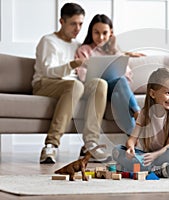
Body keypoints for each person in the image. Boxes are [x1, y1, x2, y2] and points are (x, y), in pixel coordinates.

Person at [32, 3, 111, 164]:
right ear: (62, 22)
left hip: (74, 85)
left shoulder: (77, 45)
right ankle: (51, 144)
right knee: (75, 86)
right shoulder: (49, 41)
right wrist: (72, 65)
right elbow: (48, 71)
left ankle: (90, 143)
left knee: (100, 84)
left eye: (81, 24)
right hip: (45, 83)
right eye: (73, 24)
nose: (78, 28)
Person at [112, 68, 169, 178]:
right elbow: (132, 139)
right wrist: (130, 148)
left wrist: (154, 156)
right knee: (117, 150)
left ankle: (142, 167)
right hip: (152, 156)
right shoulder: (144, 113)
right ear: (153, 94)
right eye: (168, 93)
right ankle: (156, 169)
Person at [75, 14, 144, 136]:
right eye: (96, 32)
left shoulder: (115, 51)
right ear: (91, 32)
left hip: (115, 90)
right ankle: (137, 112)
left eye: (105, 33)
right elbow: (83, 76)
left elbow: (127, 76)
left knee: (118, 91)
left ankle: (133, 137)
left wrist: (114, 51)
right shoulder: (84, 50)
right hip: (97, 90)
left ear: (110, 33)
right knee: (119, 83)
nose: (100, 37)